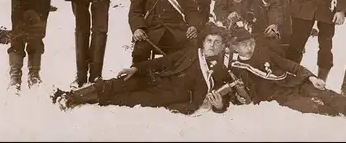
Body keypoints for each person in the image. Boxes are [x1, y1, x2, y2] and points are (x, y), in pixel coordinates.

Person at [51, 22, 232, 115]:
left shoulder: (221, 72)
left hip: (168, 96)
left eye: (217, 43)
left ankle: (76, 99)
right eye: (209, 41)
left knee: (126, 99)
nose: (212, 45)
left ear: (223, 46)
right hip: (156, 79)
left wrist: (219, 106)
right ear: (204, 41)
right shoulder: (191, 52)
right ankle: (70, 97)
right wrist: (136, 69)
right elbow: (162, 62)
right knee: (117, 83)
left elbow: (225, 97)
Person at [227, 26, 346, 121]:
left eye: (251, 42)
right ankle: (338, 114)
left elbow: (291, 66)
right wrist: (241, 90)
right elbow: (248, 96)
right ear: (235, 47)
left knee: (323, 92)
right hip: (279, 97)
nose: (250, 47)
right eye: (244, 45)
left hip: (293, 83)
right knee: (311, 107)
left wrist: (312, 77)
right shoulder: (237, 68)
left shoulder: (264, 52)